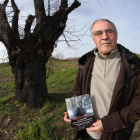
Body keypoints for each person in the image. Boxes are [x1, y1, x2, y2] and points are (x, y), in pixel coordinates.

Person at [64, 19, 140, 140]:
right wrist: (76, 112)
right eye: (98, 33)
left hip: (116, 134)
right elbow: (78, 89)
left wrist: (109, 123)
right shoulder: (85, 63)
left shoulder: (134, 65)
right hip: (87, 132)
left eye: (109, 31)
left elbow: (138, 103)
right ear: (93, 38)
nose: (104, 37)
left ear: (116, 35)